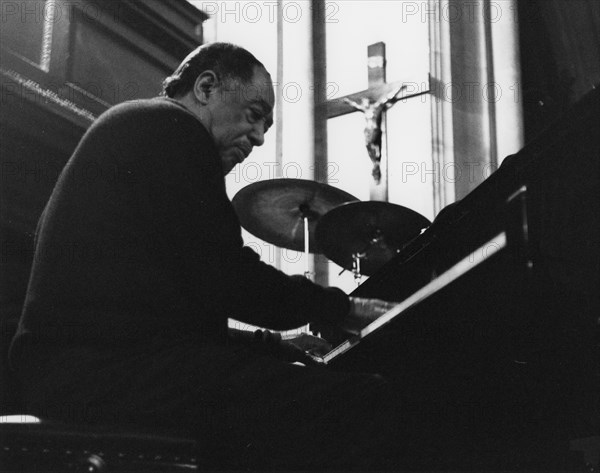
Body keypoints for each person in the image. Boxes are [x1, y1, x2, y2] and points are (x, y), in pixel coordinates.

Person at [9, 43, 412, 469]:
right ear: (206, 87)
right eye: (254, 115)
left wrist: (271, 345)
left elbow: (167, 312)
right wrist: (344, 307)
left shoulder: (142, 129)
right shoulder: (170, 128)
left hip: (81, 370)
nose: (257, 137)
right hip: (95, 375)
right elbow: (231, 276)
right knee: (364, 399)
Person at [344, 85, 406, 183]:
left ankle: (376, 167)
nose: (364, 103)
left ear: (369, 101)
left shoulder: (377, 107)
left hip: (375, 130)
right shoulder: (365, 109)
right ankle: (375, 167)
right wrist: (347, 101)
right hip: (367, 132)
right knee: (369, 147)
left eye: (365, 101)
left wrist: (399, 88)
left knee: (374, 146)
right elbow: (355, 105)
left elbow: (388, 98)